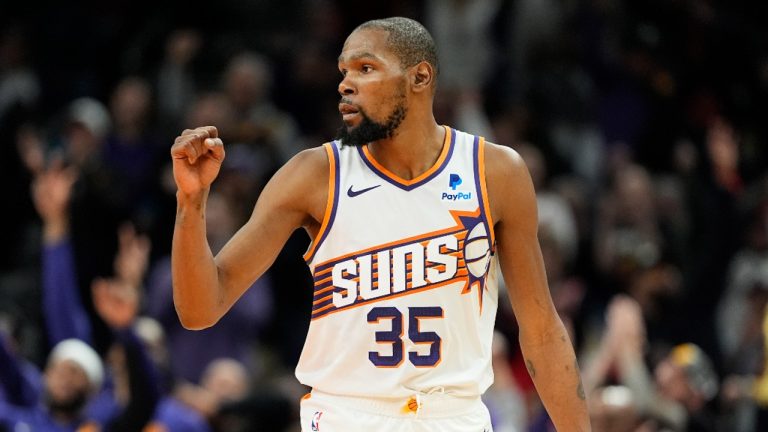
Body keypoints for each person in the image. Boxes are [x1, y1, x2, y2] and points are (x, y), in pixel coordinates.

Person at [171, 17, 590, 431]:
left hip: (455, 416)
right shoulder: (314, 174)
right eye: (343, 71)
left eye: (365, 68)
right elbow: (201, 309)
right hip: (346, 414)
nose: (345, 84)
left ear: (420, 77)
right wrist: (191, 203)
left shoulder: (495, 172)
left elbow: (541, 333)